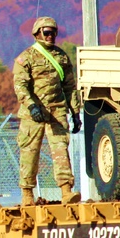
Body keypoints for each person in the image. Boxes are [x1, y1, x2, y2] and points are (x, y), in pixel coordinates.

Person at [13, 16, 82, 206]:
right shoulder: (26, 57)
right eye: (46, 32)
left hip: (57, 111)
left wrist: (75, 112)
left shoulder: (61, 57)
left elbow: (69, 86)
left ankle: (66, 191)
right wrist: (31, 105)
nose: (50, 36)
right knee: (30, 153)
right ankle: (27, 194)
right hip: (32, 113)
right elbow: (20, 85)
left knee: (61, 150)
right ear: (37, 34)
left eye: (53, 32)